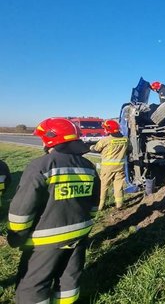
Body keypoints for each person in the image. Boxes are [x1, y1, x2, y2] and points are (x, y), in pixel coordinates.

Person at [7, 117, 100, 304]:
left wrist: (16, 235)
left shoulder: (41, 166)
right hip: (80, 234)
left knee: (32, 286)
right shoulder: (88, 166)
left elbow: (22, 209)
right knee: (68, 280)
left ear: (50, 139)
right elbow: (94, 204)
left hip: (46, 239)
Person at [90, 119, 130, 211]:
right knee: (118, 186)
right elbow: (129, 150)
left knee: (104, 186)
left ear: (108, 130)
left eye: (105, 129)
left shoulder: (105, 140)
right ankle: (119, 204)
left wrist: (90, 147)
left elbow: (96, 149)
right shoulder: (125, 139)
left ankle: (100, 206)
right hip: (120, 167)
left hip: (107, 168)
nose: (104, 130)